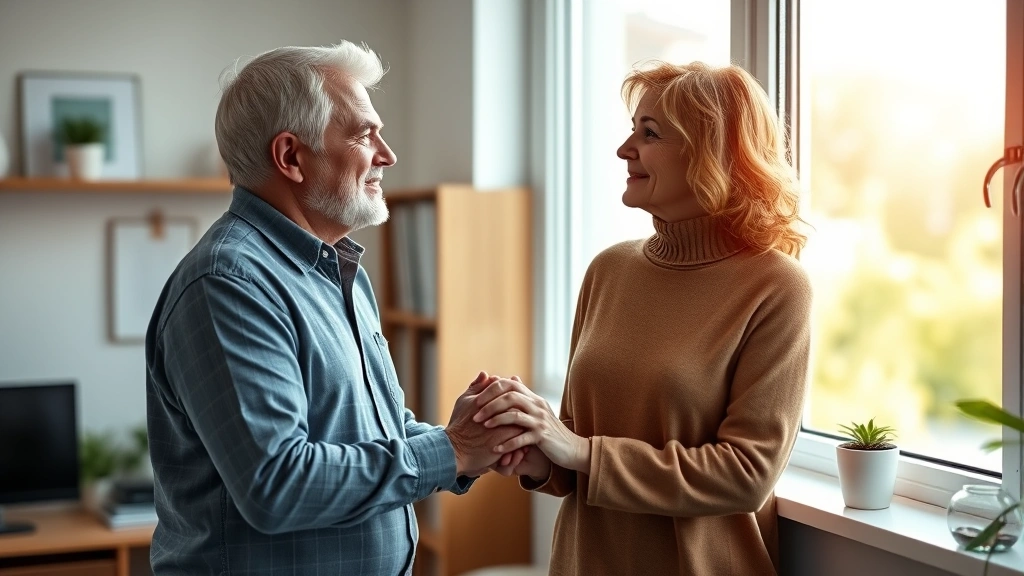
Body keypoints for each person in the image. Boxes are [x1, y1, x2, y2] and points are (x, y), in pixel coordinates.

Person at [145, 41, 522, 576]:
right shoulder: (229, 284)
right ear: (291, 157)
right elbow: (278, 483)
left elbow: (361, 432)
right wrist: (452, 449)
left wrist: (474, 435)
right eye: (365, 134)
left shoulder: (339, 272)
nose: (386, 155)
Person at [472, 61, 813, 575]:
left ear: (712, 152)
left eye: (648, 134)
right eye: (633, 131)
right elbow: (576, 449)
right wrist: (532, 443)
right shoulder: (609, 269)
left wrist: (581, 450)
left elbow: (747, 475)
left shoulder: (776, 286)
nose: (624, 149)